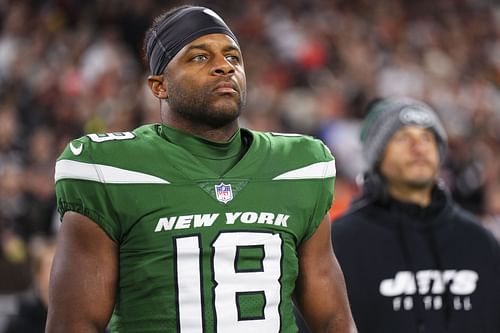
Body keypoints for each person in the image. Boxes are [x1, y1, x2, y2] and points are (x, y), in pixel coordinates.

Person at [46, 5, 357, 333]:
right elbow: (74, 324)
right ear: (159, 86)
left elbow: (334, 319)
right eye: (199, 57)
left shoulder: (298, 165)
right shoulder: (109, 170)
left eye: (233, 57)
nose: (224, 67)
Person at [332, 97, 500, 333]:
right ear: (377, 156)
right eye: (403, 138)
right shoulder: (340, 242)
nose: (419, 147)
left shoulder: (479, 240)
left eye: (427, 138)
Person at [2, 237, 55, 333]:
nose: (56, 273)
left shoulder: (73, 319)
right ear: (38, 275)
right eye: (50, 267)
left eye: (59, 266)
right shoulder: (20, 324)